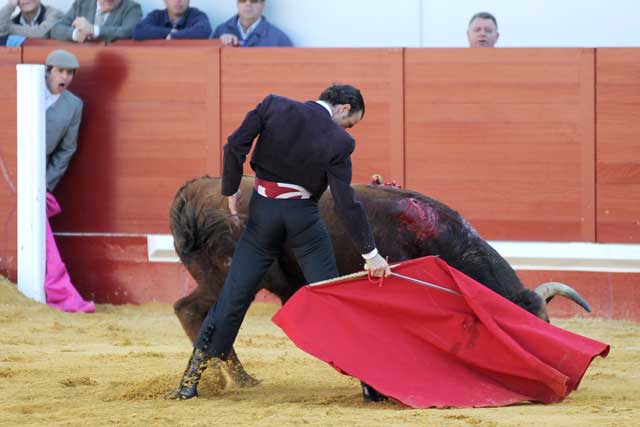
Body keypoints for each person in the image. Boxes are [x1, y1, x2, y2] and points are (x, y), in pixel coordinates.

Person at [167, 84, 391, 401]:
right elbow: (345, 203)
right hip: (303, 219)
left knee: (231, 299)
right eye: (350, 121)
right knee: (330, 298)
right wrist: (371, 254)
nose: (346, 128)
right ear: (342, 108)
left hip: (263, 215)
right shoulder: (341, 141)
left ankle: (190, 381)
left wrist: (231, 188)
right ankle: (370, 385)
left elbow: (234, 147)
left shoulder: (274, 106)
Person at [44, 49, 95, 313]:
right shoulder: (26, 91)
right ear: (48, 70)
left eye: (70, 73)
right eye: (61, 71)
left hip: (37, 179)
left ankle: (60, 294)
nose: (65, 77)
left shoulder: (73, 105)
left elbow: (66, 150)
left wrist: (44, 184)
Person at [50, 0, 142, 43]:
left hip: (112, 62)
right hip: (81, 60)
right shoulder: (81, 4)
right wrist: (75, 34)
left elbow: (129, 31)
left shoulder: (132, 8)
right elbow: (56, 29)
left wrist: (93, 30)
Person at [211, 0, 292, 47]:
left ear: (263, 4)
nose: (248, 4)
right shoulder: (221, 31)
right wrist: (219, 43)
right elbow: (209, 67)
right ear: (237, 3)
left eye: (253, 0)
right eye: (243, 0)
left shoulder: (279, 40)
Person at [132, 0, 211, 40]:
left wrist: (173, 36)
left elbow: (204, 30)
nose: (177, 1)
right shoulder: (156, 15)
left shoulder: (196, 15)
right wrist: (170, 32)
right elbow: (138, 31)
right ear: (165, 1)